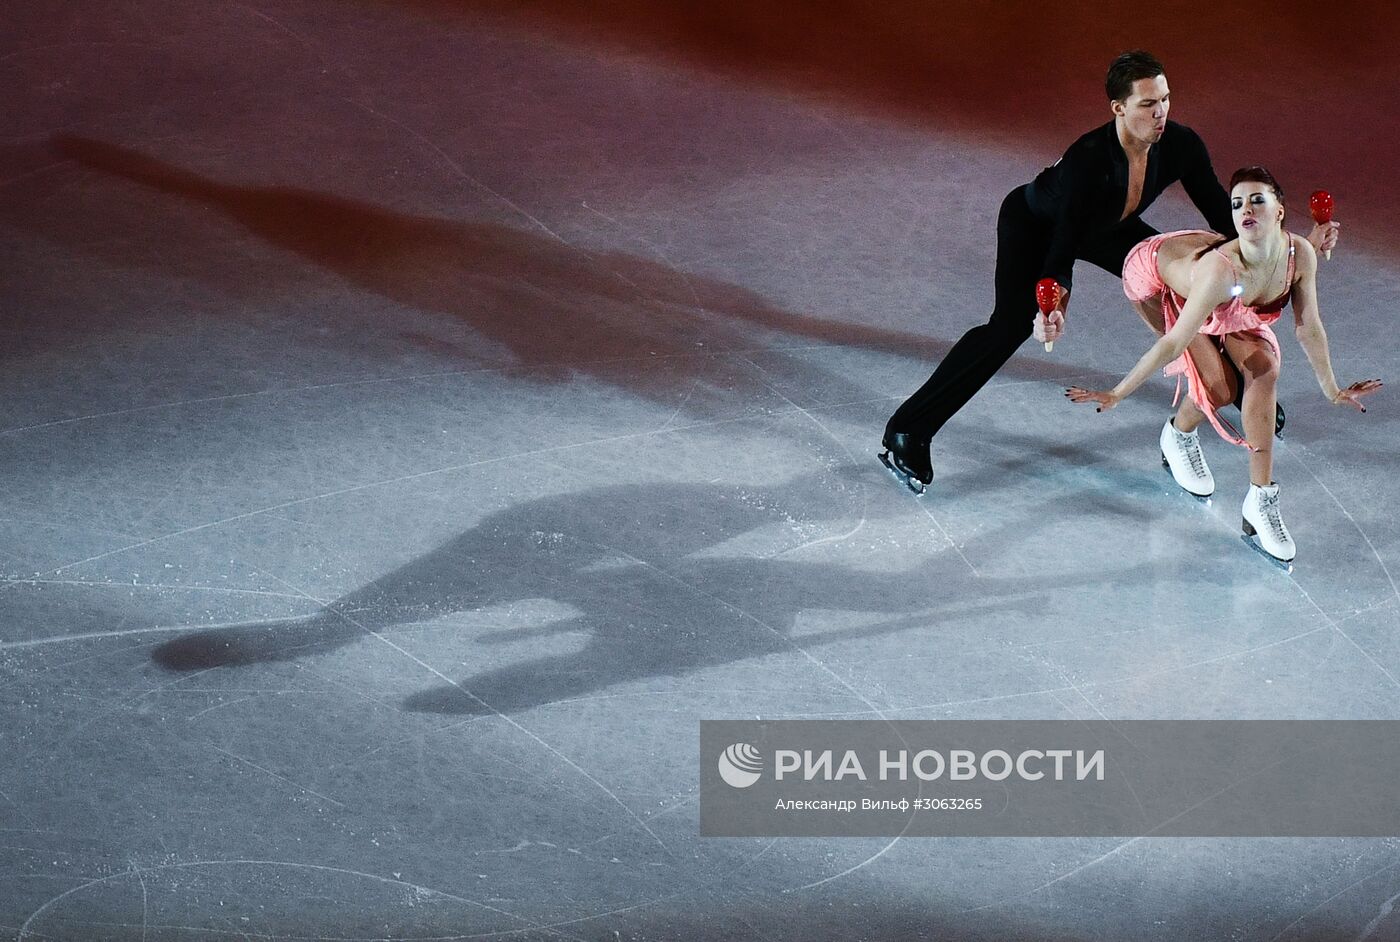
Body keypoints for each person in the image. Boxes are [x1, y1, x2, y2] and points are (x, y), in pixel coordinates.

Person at [879, 51, 1340, 495]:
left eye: (1165, 100)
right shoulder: (1088, 160)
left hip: (1107, 227)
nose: (1161, 113)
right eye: (1147, 105)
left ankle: (1238, 386)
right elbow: (1063, 243)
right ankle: (909, 430)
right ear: (1118, 108)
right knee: (1010, 328)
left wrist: (1287, 247)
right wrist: (1053, 307)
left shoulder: (1180, 144)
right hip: (1038, 226)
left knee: (1198, 272)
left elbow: (1227, 223)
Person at [1065, 167, 1381, 563]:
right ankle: (1177, 436)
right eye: (1236, 204)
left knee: (1264, 368)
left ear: (1280, 211)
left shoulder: (1300, 255)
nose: (1244, 209)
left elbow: (1308, 326)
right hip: (1157, 280)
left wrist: (1332, 388)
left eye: (1256, 200)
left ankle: (1260, 501)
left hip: (1228, 291)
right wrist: (1119, 392)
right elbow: (1174, 341)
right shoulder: (1219, 271)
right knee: (1218, 389)